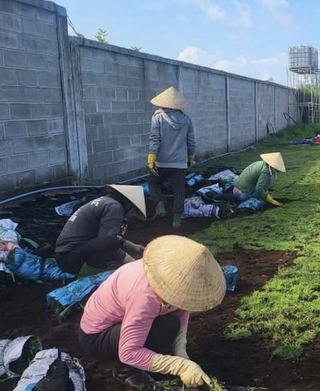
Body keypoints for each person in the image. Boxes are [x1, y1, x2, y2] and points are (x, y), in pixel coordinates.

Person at [78, 235, 225, 387]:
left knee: (169, 322)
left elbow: (182, 307)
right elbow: (128, 352)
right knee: (166, 325)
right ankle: (126, 371)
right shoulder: (145, 295)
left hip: (124, 321)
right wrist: (180, 366)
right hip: (97, 337)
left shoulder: (169, 275)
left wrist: (180, 349)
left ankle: (149, 355)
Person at [54, 185, 147, 278]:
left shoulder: (105, 201)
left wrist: (129, 245)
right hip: (71, 261)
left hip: (66, 255)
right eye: (133, 209)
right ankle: (85, 276)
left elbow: (102, 237)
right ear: (129, 204)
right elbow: (107, 241)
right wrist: (131, 261)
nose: (132, 213)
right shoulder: (114, 207)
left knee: (110, 242)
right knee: (110, 244)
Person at [147, 86, 195, 228]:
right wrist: (190, 157)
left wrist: (151, 159)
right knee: (179, 191)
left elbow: (154, 139)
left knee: (154, 182)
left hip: (161, 162)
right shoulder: (187, 120)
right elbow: (191, 141)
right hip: (179, 163)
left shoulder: (157, 118)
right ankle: (177, 220)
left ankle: (160, 208)